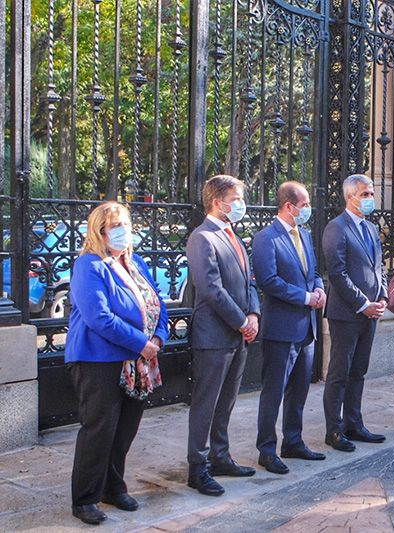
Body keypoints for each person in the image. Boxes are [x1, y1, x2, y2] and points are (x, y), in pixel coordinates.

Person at [65, 201, 168, 525]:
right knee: (99, 430)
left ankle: (113, 487)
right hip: (99, 360)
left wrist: (159, 338)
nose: (122, 232)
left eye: (125, 224)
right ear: (100, 232)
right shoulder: (89, 266)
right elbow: (100, 318)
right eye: (114, 226)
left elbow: (157, 304)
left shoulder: (134, 262)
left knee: (124, 430)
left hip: (137, 361)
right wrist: (142, 343)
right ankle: (85, 499)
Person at [186, 175, 259, 496]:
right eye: (236, 199)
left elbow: (249, 281)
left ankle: (220, 455)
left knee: (227, 401)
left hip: (239, 334)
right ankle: (198, 467)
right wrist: (242, 321)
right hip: (214, 336)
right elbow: (211, 289)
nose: (240, 205)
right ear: (217, 201)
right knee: (207, 403)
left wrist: (254, 314)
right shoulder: (202, 238)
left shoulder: (234, 235)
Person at [251, 181, 327, 475]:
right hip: (281, 328)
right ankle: (266, 449)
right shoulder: (266, 238)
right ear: (289, 206)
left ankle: (292, 440)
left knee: (298, 390)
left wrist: (318, 289)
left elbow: (314, 272)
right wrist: (306, 297)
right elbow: (269, 281)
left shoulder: (305, 235)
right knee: (274, 391)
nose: (308, 209)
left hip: (306, 327)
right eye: (305, 204)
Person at [321, 174, 388, 452]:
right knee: (340, 372)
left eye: (371, 193)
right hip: (347, 313)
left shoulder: (371, 229)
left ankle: (354, 423)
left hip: (370, 313)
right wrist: (363, 303)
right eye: (365, 194)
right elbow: (337, 273)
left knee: (359, 371)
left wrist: (382, 296)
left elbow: (379, 266)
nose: (370, 199)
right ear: (350, 197)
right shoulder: (337, 228)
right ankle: (334, 430)